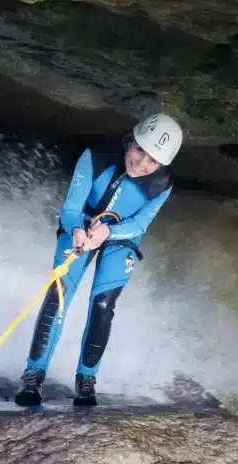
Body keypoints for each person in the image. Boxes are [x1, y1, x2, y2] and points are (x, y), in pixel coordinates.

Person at [14, 112, 183, 407]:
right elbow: (70, 208)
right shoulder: (96, 157)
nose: (141, 163)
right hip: (79, 225)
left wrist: (109, 231)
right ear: (130, 142)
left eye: (152, 161)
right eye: (140, 150)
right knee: (59, 294)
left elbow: (140, 224)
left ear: (161, 165)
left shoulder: (162, 185)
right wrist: (78, 231)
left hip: (121, 236)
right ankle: (33, 375)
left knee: (103, 304)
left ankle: (87, 381)